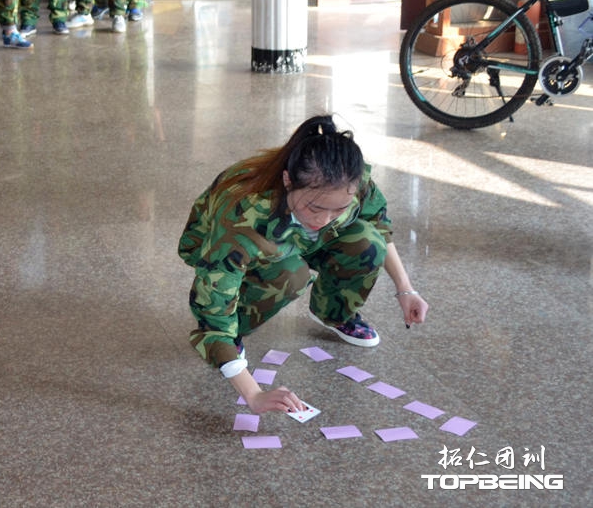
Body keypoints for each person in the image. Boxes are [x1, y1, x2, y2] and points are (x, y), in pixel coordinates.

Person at [178, 115, 429, 415]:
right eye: (315, 207)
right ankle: (239, 330)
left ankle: (333, 312)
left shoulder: (353, 181)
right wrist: (253, 394)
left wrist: (406, 289)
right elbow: (212, 316)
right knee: (291, 273)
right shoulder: (243, 217)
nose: (324, 220)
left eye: (339, 209)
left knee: (368, 241)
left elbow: (379, 225)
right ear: (288, 182)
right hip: (246, 244)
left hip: (295, 239)